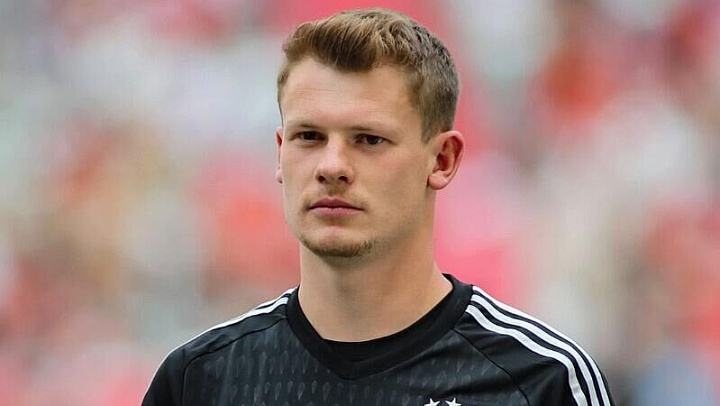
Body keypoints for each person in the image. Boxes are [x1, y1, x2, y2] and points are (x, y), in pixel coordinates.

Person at [142, 8, 615, 406]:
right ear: (280, 153)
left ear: (442, 160)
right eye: (309, 137)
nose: (332, 166)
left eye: (369, 139)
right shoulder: (200, 381)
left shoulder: (540, 379)